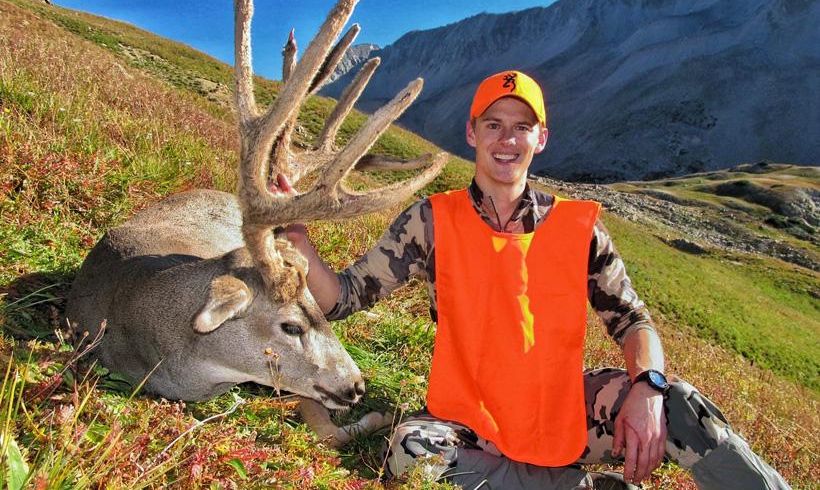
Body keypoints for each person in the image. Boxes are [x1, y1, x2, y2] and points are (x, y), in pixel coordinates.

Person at [278, 71, 791, 489]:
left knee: (678, 403)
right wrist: (301, 243)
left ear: (540, 138)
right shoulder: (430, 222)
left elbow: (634, 320)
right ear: (471, 132)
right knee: (413, 455)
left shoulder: (578, 228)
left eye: (521, 127)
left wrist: (648, 386)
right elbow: (342, 298)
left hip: (561, 407)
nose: (507, 139)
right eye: (494, 124)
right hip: (468, 417)